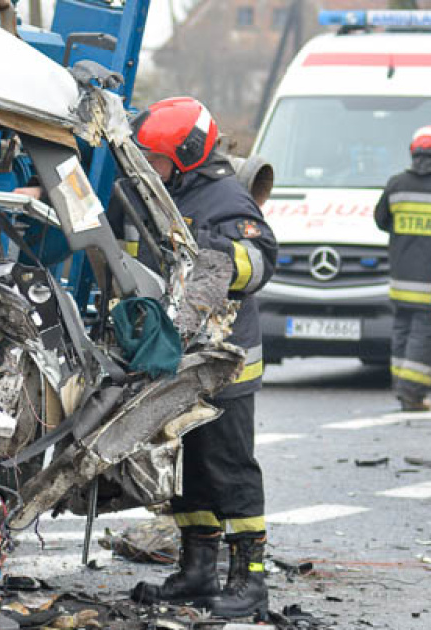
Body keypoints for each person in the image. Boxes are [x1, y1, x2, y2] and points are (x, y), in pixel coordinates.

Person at [127, 97, 278, 618]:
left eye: (157, 158)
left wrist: (207, 252)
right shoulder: (162, 193)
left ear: (187, 154)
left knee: (229, 470)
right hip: (184, 362)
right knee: (189, 470)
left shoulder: (225, 197)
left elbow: (260, 261)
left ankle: (250, 580)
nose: (151, 166)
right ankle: (197, 571)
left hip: (226, 364)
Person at [374, 125, 431, 412]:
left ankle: (401, 388)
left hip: (400, 279)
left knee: (401, 333)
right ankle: (413, 395)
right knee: (423, 336)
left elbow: (381, 220)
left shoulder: (396, 184)